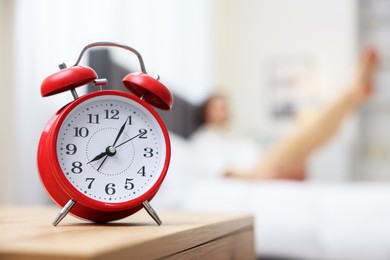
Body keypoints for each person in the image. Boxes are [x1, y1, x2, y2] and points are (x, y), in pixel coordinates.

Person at [190, 49, 378, 180]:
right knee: (303, 133)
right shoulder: (204, 140)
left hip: (266, 167)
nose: (225, 110)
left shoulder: (232, 138)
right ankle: (351, 94)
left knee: (309, 131)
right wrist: (260, 178)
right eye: (218, 107)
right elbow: (223, 173)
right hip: (259, 173)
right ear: (205, 112)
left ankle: (352, 97)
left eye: (226, 105)